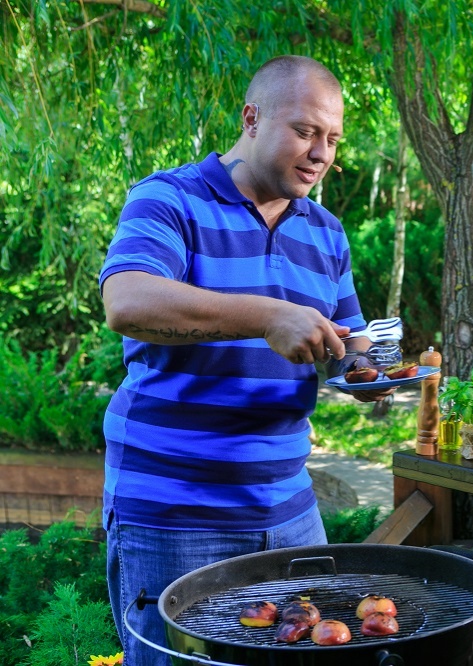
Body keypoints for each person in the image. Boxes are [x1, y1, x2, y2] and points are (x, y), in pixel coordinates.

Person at [99, 55, 391, 664]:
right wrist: (267, 317)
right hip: (174, 514)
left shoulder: (327, 231)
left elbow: (351, 344)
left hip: (289, 509)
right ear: (252, 119)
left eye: (333, 139)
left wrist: (372, 372)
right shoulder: (168, 198)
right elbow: (126, 302)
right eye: (306, 131)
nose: (321, 153)